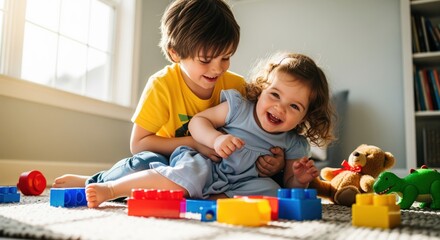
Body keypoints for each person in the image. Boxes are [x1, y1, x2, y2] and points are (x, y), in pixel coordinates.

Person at [53, 0, 284, 189]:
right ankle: (96, 181)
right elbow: (139, 144)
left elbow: (259, 130)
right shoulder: (162, 85)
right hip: (167, 161)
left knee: (265, 184)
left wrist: (275, 163)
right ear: (175, 54)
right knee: (141, 166)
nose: (217, 68)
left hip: (218, 168)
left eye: (225, 57)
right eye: (205, 60)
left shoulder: (237, 86)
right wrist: (195, 143)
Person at [85, 52, 335, 208]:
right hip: (206, 161)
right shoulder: (239, 107)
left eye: (294, 106)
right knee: (190, 175)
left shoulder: (294, 143)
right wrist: (216, 139)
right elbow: (198, 122)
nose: (280, 108)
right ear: (262, 88)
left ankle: (206, 203)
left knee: (275, 193)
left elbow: (289, 183)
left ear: (306, 115)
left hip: (244, 182)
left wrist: (299, 180)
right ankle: (111, 189)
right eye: (275, 95)